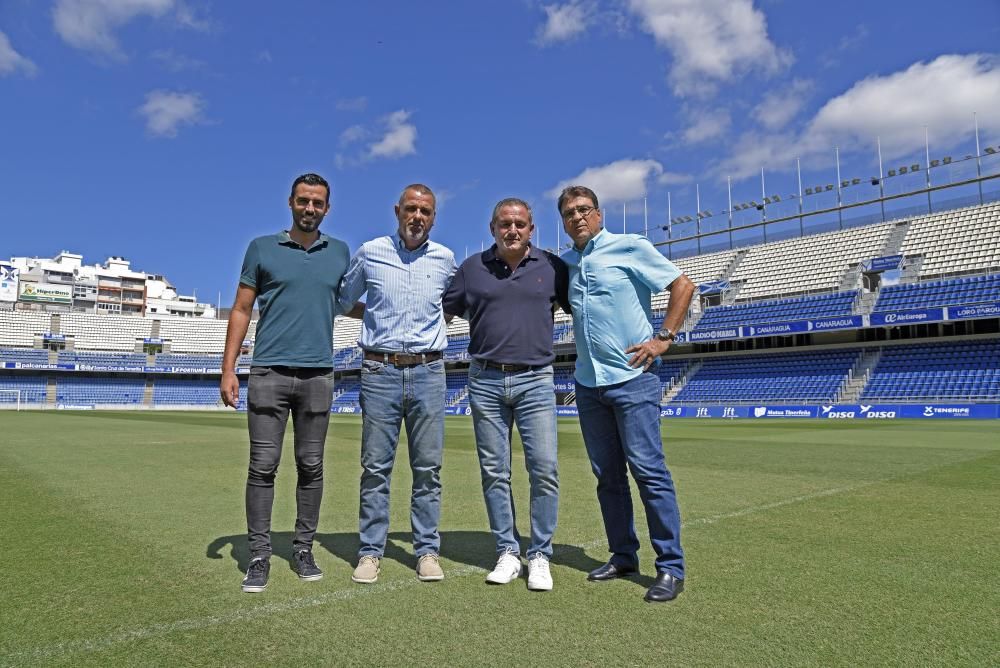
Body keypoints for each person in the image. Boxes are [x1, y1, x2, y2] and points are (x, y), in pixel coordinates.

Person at [557, 185, 695, 603]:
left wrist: (663, 338)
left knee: (649, 473)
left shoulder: (629, 247)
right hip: (587, 383)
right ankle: (623, 556)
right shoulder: (565, 264)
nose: (577, 217)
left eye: (583, 210)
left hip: (633, 378)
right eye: (568, 213)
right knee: (607, 477)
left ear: (598, 214)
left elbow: (683, 285)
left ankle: (670, 567)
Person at [221, 173, 350, 593]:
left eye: (317, 203)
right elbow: (241, 308)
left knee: (311, 466)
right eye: (303, 201)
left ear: (327, 208)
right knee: (263, 467)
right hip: (269, 373)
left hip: (318, 374)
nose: (309, 209)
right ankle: (259, 556)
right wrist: (228, 368)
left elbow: (354, 303)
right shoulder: (261, 248)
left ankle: (302, 548)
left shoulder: (340, 253)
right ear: (291, 203)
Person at [442, 198, 570, 591]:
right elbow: (442, 312)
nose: (511, 230)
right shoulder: (471, 269)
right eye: (504, 224)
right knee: (495, 472)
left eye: (520, 224)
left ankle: (540, 555)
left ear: (531, 229)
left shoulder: (553, 267)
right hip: (485, 380)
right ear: (492, 227)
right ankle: (508, 551)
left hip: (535, 379)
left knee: (544, 469)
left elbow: (581, 309)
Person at [338, 184, 457, 584]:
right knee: (375, 468)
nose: (417, 217)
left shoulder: (445, 259)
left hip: (428, 371)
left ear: (434, 217)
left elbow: (455, 303)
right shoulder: (371, 252)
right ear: (397, 211)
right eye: (411, 209)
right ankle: (371, 551)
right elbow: (343, 300)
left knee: (428, 468)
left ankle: (426, 551)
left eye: (425, 211)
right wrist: (375, 316)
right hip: (379, 371)